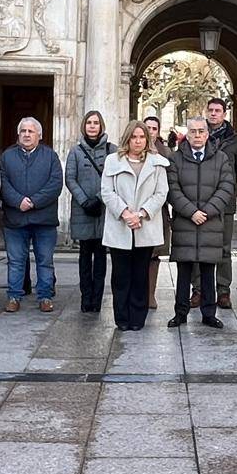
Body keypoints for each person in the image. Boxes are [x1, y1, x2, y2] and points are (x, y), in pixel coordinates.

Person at [166, 116, 234, 328]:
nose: (197, 135)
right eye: (193, 131)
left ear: (207, 134)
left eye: (201, 131)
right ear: (187, 134)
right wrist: (191, 212)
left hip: (210, 223)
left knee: (208, 271)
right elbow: (172, 189)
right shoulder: (176, 159)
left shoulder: (220, 158)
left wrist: (205, 211)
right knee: (184, 273)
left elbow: (226, 187)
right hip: (185, 223)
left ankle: (209, 313)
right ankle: (180, 313)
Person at [102, 121, 170, 331]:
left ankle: (137, 317)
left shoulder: (157, 163)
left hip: (144, 225)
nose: (138, 141)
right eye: (134, 137)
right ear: (127, 139)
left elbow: (161, 193)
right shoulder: (113, 161)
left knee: (140, 274)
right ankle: (122, 317)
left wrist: (141, 213)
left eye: (142, 137)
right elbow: (107, 191)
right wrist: (124, 213)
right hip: (120, 224)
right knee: (120, 275)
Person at [0, 117, 63, 313]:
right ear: (18, 135)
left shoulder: (50, 156)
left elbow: (55, 184)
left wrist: (34, 201)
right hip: (15, 218)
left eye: (31, 131)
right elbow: (2, 182)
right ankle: (14, 296)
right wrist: (18, 201)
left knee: (45, 261)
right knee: (16, 260)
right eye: (23, 131)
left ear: (40, 135)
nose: (26, 135)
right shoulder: (7, 156)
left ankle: (45, 297)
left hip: (44, 220)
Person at [66, 111, 115, 313]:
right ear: (84, 126)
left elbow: (114, 178)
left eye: (96, 123)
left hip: (103, 210)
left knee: (101, 257)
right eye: (89, 123)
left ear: (101, 126)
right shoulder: (75, 152)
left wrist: (99, 198)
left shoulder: (112, 151)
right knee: (85, 257)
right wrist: (85, 200)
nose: (92, 126)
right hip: (83, 209)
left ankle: (97, 299)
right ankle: (86, 298)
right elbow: (70, 179)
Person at [203, 97, 237, 309]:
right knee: (198, 247)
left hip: (225, 203)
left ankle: (223, 291)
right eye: (210, 110)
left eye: (217, 110)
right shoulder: (197, 135)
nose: (213, 114)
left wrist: (226, 187)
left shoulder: (235, 141)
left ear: (224, 113)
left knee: (224, 248)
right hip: (199, 201)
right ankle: (199, 290)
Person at [143, 115, 173, 309]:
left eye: (154, 128)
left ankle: (150, 294)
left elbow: (171, 183)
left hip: (158, 211)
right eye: (147, 127)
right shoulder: (133, 150)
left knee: (154, 255)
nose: (151, 131)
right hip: (135, 212)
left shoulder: (167, 154)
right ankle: (138, 292)